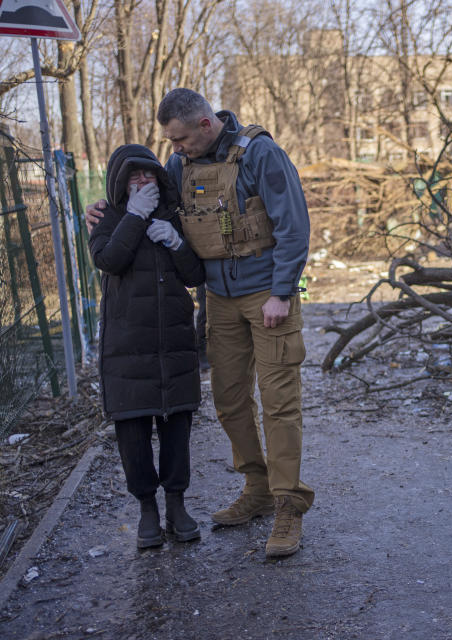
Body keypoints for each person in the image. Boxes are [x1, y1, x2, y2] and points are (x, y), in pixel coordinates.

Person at [86, 89, 313, 558]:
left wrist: (282, 292)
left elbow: (294, 225)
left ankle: (289, 504)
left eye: (181, 139)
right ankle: (257, 488)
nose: (175, 148)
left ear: (205, 125)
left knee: (278, 404)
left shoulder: (260, 154)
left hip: (267, 296)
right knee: (229, 402)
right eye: (171, 142)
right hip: (218, 300)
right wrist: (101, 210)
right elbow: (150, 201)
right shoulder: (179, 166)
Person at [89, 144, 205, 549]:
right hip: (128, 348)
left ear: (159, 178)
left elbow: (195, 274)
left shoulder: (175, 216)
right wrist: (136, 217)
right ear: (121, 182)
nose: (143, 183)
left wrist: (176, 242)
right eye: (134, 177)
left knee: (177, 429)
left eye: (149, 176)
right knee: (133, 432)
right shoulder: (107, 218)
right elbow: (108, 259)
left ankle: (176, 504)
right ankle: (147, 510)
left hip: (173, 344)